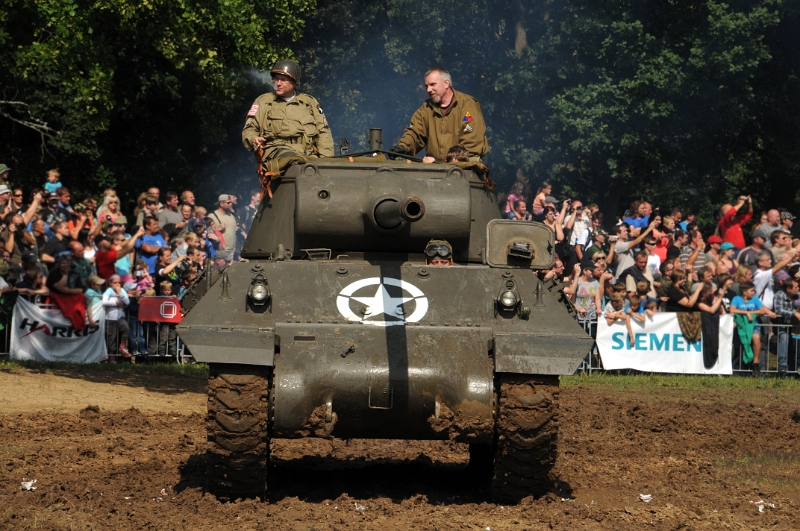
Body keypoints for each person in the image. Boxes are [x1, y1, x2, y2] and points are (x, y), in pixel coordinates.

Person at [242, 59, 333, 163]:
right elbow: (249, 129)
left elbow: (323, 132)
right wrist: (253, 139)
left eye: (283, 80)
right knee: (293, 162)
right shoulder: (263, 102)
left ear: (294, 82)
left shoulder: (310, 103)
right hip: (276, 154)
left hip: (307, 155)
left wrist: (326, 162)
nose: (278, 83)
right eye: (276, 79)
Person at [391, 67, 488, 163]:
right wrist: (403, 147)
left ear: (446, 83)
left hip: (465, 168)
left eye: (432, 84)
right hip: (437, 170)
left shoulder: (467, 104)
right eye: (427, 86)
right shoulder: (426, 108)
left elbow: (472, 140)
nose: (428, 90)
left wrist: (451, 161)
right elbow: (415, 133)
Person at [729, 281, 766, 377]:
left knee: (756, 339)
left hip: (754, 325)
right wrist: (746, 313)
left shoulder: (755, 299)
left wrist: (752, 313)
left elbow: (762, 311)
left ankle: (756, 363)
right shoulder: (737, 299)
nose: (754, 292)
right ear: (744, 292)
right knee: (741, 345)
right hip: (741, 326)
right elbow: (732, 310)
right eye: (751, 290)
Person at [772, 278, 800, 377]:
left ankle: (792, 370)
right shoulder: (779, 295)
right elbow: (778, 311)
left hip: (794, 326)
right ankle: (782, 365)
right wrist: (794, 314)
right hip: (782, 325)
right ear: (789, 289)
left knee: (793, 347)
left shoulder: (797, 296)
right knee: (784, 338)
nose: (798, 288)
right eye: (796, 287)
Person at [102, 274, 131, 359]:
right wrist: (115, 302)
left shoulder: (122, 290)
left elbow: (127, 302)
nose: (117, 284)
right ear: (110, 283)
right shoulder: (109, 290)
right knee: (112, 337)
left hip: (120, 316)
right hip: (110, 317)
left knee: (126, 329)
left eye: (119, 282)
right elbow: (104, 302)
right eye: (115, 282)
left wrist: (120, 293)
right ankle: (111, 356)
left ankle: (122, 346)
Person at [209, 195, 237, 263]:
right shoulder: (212, 216)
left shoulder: (231, 216)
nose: (230, 204)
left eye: (230, 202)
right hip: (220, 251)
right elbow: (207, 233)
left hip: (232, 251)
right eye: (228, 203)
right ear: (221, 204)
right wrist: (217, 229)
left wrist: (235, 248)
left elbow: (234, 233)